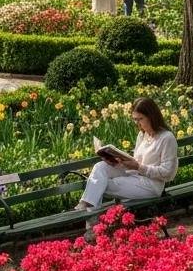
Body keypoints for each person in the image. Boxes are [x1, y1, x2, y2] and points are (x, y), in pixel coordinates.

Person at [74, 97, 178, 229]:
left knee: (101, 185)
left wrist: (140, 167)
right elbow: (135, 163)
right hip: (135, 175)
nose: (138, 124)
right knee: (100, 167)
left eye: (140, 119)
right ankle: (88, 207)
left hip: (150, 185)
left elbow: (168, 173)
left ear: (151, 116)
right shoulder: (142, 135)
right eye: (135, 120)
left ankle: (92, 222)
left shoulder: (167, 138)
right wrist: (116, 162)